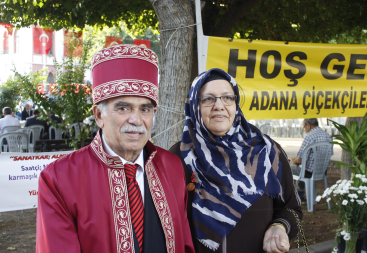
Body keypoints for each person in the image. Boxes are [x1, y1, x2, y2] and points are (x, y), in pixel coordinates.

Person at [36, 44, 194, 253]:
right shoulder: (58, 178)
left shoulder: (172, 166)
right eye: (123, 108)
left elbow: (184, 244)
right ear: (99, 115)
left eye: (145, 109)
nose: (136, 120)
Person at [169, 68, 302, 253]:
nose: (219, 105)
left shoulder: (268, 152)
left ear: (236, 103)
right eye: (208, 99)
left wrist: (280, 225)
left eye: (227, 97)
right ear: (194, 105)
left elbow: (292, 209)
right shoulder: (179, 156)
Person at [289, 118, 333, 200]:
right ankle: (300, 195)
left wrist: (292, 162)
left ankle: (286, 197)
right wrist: (295, 160)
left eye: (304, 127)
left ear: (308, 125)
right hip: (322, 171)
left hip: (308, 173)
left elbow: (299, 160)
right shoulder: (328, 136)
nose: (304, 129)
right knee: (301, 167)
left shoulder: (309, 136)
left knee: (283, 167)